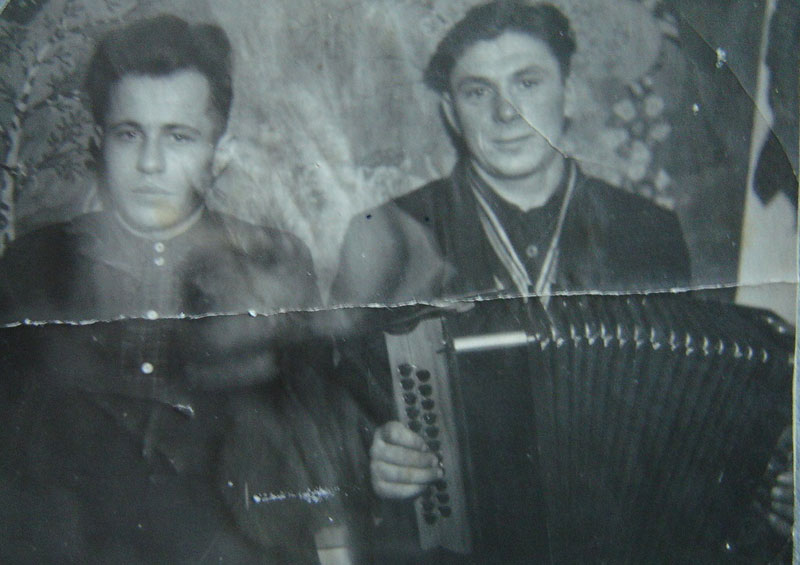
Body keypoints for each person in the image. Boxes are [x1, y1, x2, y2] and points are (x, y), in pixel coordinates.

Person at [330, 1, 791, 562]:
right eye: (477, 91)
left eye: (527, 82)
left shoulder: (647, 230)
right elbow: (336, 411)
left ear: (567, 93)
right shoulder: (393, 233)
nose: (506, 112)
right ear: (450, 111)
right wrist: (374, 456)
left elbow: (691, 411)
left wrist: (760, 479)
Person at [0, 15, 367, 563]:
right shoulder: (34, 264)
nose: (150, 164)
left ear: (219, 150)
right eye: (129, 134)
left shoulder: (273, 262)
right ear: (100, 140)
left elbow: (318, 458)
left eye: (179, 137)